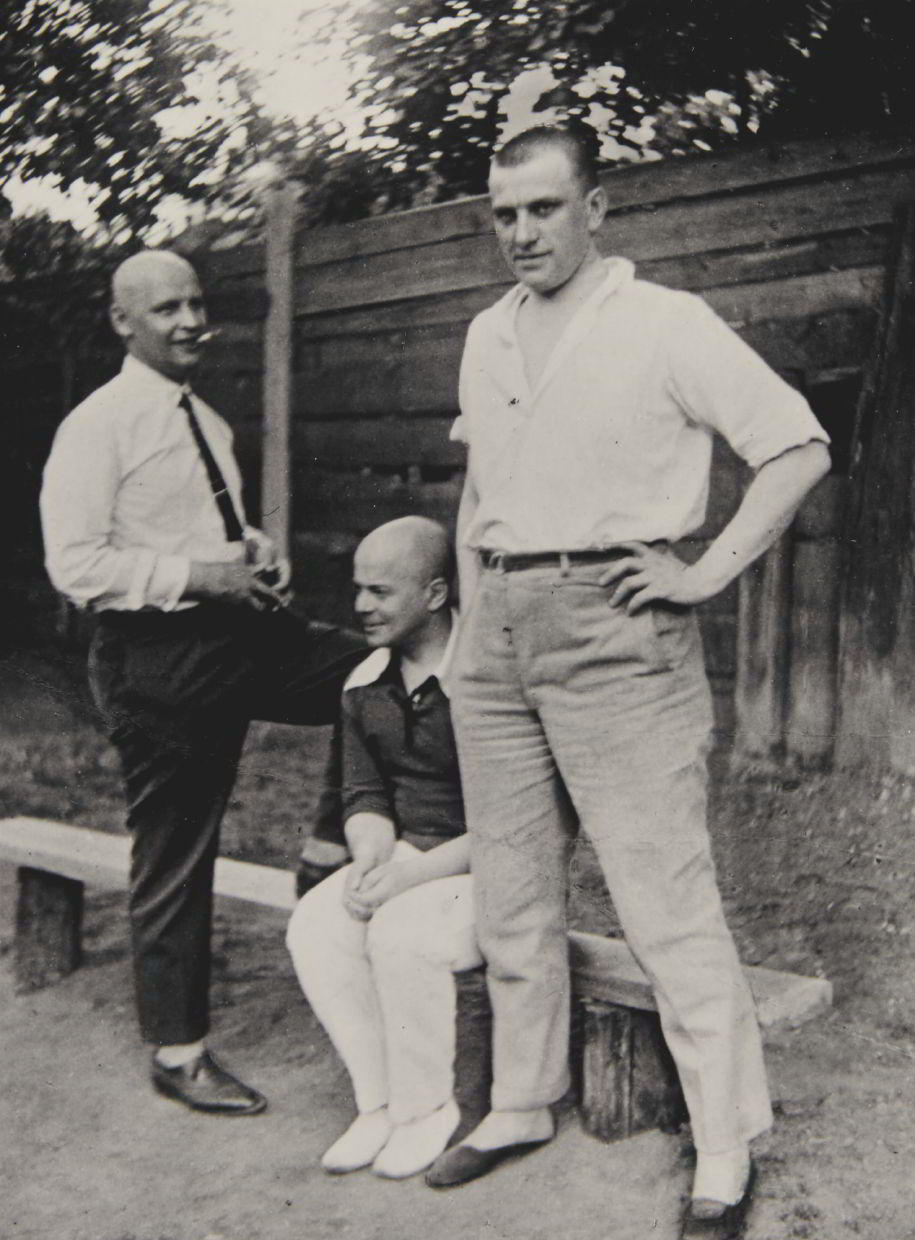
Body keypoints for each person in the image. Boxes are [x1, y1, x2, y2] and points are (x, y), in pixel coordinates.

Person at [425, 125, 830, 1239]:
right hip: (499, 634)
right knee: (512, 886)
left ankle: (725, 1143)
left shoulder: (664, 322)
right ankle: (520, 1101)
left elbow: (796, 447)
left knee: (663, 895)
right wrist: (468, 626)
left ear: (595, 209)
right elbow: (481, 487)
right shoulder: (487, 333)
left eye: (544, 208)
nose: (522, 233)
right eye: (504, 213)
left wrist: (703, 573)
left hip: (617, 628)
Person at [40, 250, 363, 1117]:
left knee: (375, 673)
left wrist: (252, 550)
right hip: (158, 658)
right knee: (178, 848)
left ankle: (327, 844)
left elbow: (201, 525)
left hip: (240, 631)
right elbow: (76, 564)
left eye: (195, 304)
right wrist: (199, 576)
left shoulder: (206, 420)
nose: (190, 322)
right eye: (166, 309)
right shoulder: (97, 426)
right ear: (123, 322)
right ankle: (177, 1051)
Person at [286, 516, 481, 1179]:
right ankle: (378, 1102)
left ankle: (427, 1109)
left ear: (434, 593)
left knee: (399, 933)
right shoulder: (365, 681)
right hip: (409, 860)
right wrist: (370, 854)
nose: (360, 606)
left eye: (380, 591)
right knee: (316, 925)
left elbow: (513, 827)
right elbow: (364, 793)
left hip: (494, 872)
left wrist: (408, 879)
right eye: (357, 589)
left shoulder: (484, 680)